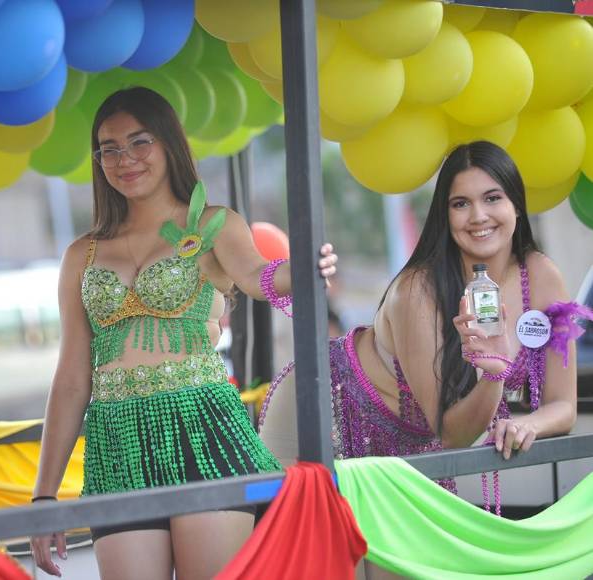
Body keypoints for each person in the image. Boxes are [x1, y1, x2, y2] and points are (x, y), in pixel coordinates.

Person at [29, 86, 337, 580]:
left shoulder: (214, 225)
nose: (125, 159)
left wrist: (301, 270)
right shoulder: (81, 254)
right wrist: (44, 496)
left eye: (139, 141)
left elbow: (257, 275)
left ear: (168, 142)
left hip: (203, 429)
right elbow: (70, 379)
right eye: (109, 149)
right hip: (117, 444)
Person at [329, 141, 578, 476]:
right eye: (461, 203)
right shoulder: (416, 290)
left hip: (420, 461)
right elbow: (449, 437)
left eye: (492, 198)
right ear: (445, 216)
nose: (478, 216)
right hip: (332, 423)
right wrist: (494, 376)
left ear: (517, 205)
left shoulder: (541, 276)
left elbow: (563, 405)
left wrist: (529, 424)